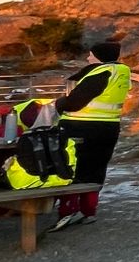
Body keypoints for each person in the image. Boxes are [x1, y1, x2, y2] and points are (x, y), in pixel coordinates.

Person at [51, 39, 132, 230]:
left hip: (81, 127)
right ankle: (88, 211)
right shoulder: (121, 72)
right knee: (96, 168)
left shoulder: (100, 73)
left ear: (100, 57)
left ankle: (68, 212)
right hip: (109, 127)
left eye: (91, 55)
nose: (88, 58)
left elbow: (74, 103)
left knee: (71, 167)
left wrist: (59, 103)